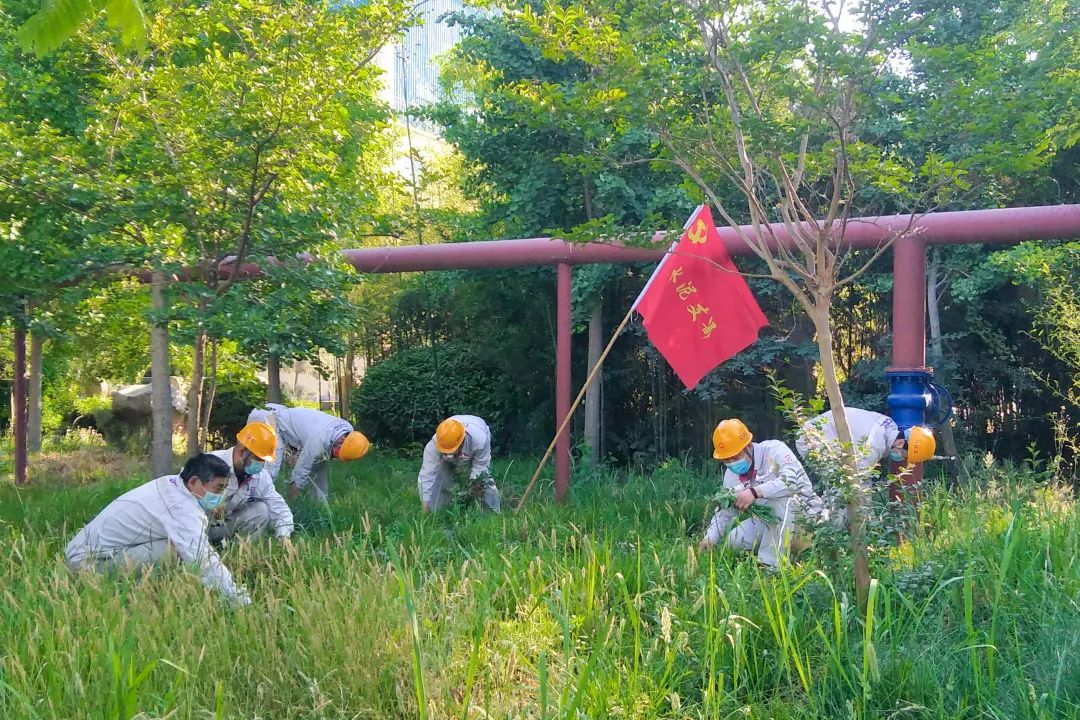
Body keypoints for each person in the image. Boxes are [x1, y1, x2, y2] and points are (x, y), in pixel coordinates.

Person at [64, 454, 251, 605]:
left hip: (86, 553)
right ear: (194, 482)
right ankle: (128, 596)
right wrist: (238, 599)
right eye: (218, 488)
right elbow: (203, 559)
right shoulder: (180, 507)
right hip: (88, 564)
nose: (221, 496)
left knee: (176, 547)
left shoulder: (171, 484)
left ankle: (141, 590)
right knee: (175, 552)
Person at [698, 419, 823, 567]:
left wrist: (755, 492)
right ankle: (780, 550)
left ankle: (771, 566)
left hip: (805, 519)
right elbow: (726, 511)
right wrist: (710, 537)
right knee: (734, 541)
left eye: (735, 457)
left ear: (748, 446)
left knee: (779, 499)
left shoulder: (774, 450)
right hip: (769, 520)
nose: (731, 463)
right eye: (726, 459)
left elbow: (792, 481)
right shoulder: (731, 475)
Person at [795, 408, 936, 518]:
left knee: (844, 487)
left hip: (824, 434)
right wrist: (868, 519)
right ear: (900, 443)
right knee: (839, 488)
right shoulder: (873, 448)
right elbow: (859, 483)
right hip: (811, 439)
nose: (902, 458)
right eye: (905, 455)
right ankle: (823, 529)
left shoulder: (889, 425)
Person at [247, 403, 370, 503]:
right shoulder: (318, 440)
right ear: (342, 440)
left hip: (281, 419)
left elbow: (316, 463)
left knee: (318, 469)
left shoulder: (348, 430)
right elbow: (300, 471)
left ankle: (320, 505)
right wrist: (293, 501)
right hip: (270, 421)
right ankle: (251, 501)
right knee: (271, 469)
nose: (336, 457)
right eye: (338, 453)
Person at [206, 421, 294, 544]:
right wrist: (206, 503)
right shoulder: (208, 463)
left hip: (224, 526)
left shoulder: (261, 476)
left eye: (263, 460)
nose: (261, 464)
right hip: (196, 525)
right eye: (258, 458)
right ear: (241, 451)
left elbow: (278, 507)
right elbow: (182, 494)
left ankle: (239, 550)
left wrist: (284, 535)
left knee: (262, 510)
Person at [418, 415, 500, 513]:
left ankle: (492, 513)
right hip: (455, 438)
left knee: (484, 479)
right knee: (440, 477)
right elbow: (426, 474)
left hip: (478, 431)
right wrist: (425, 505)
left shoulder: (480, 440)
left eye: (451, 451)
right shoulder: (435, 443)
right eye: (446, 451)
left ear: (462, 442)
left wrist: (473, 489)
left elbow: (481, 468)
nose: (449, 455)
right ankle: (438, 511)